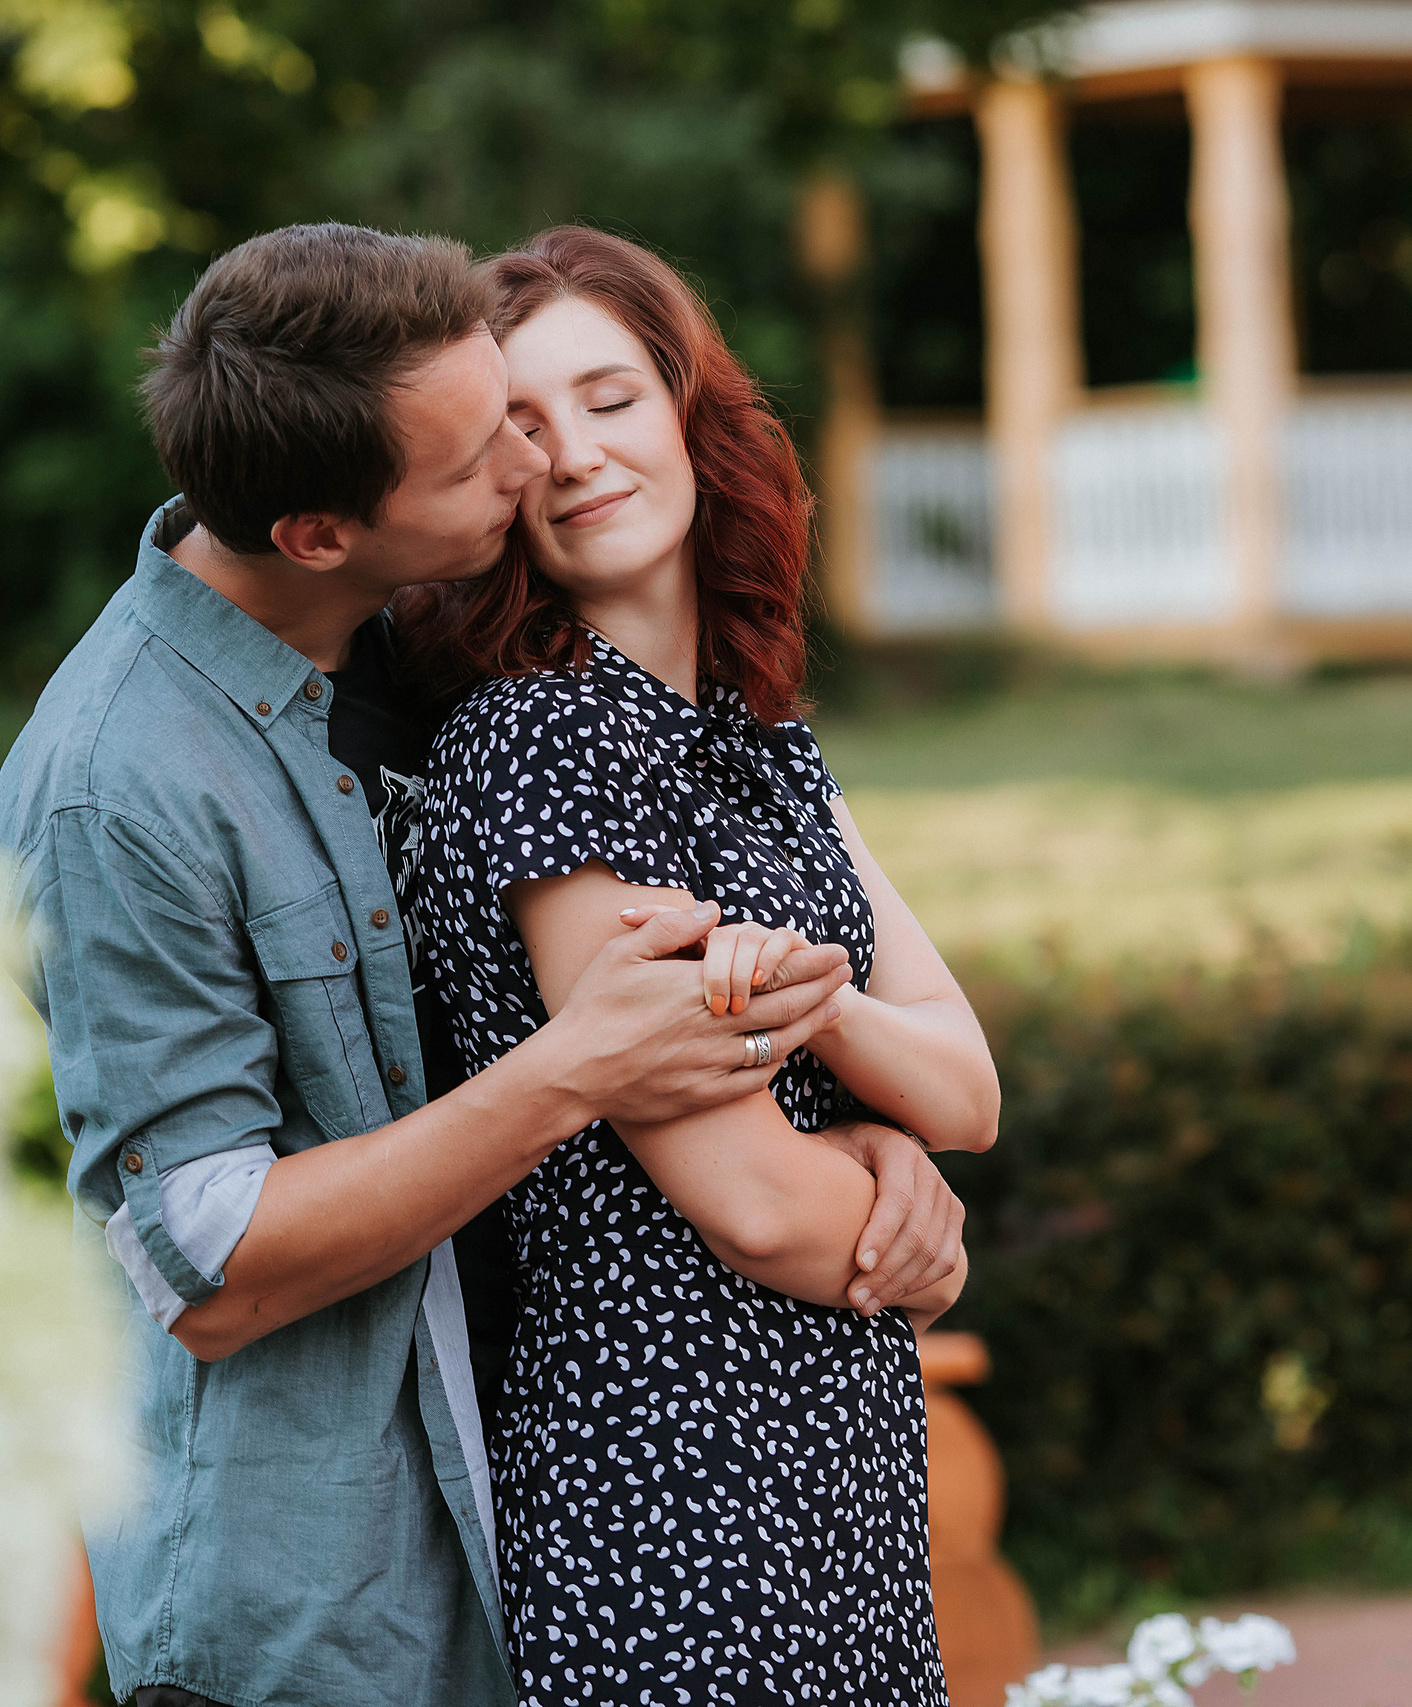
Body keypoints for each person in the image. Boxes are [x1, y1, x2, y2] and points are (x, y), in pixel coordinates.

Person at [0, 223, 970, 1707]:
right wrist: (578, 1073)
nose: (540, 468)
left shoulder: (391, 654)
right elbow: (205, 1260)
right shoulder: (120, 783)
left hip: (500, 1533)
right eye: (489, 449)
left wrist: (890, 1152)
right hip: (306, 1604)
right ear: (322, 531)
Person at [401, 226, 1002, 1706]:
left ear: (687, 411)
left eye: (610, 398)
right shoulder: (543, 735)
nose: (575, 456)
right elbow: (750, 1205)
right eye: (520, 428)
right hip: (670, 1481)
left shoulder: (757, 735)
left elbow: (968, 1087)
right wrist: (908, 1206)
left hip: (833, 1469)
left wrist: (826, 1018)